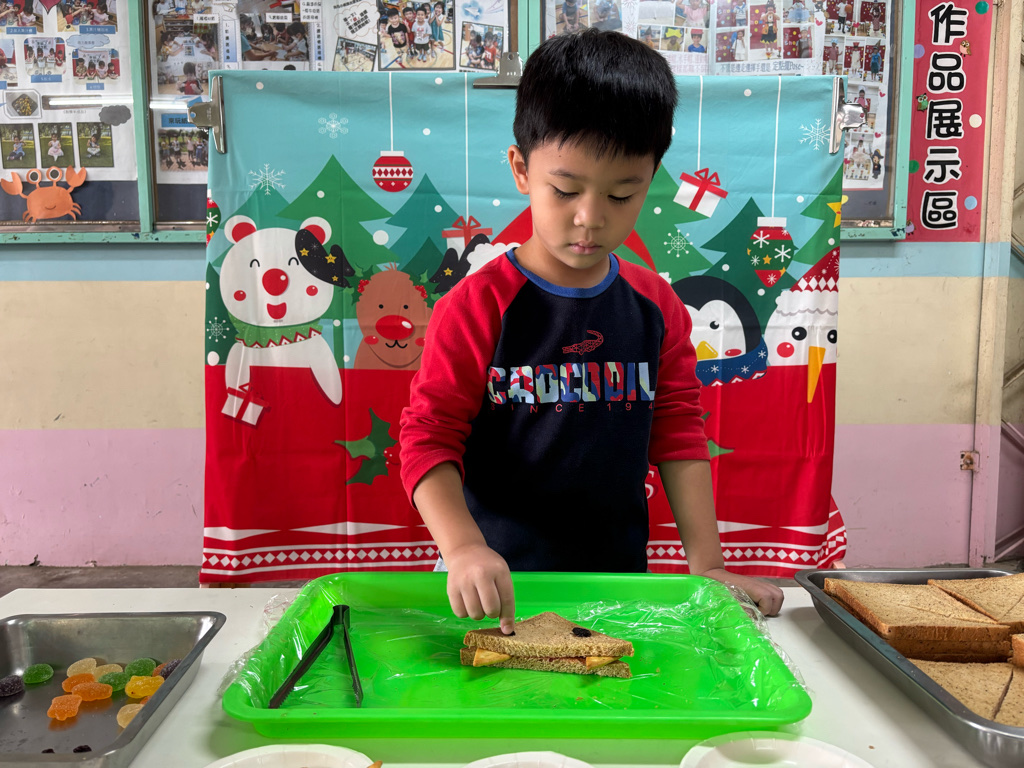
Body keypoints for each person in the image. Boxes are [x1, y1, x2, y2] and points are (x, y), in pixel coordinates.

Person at [399, 29, 785, 636]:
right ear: (521, 169)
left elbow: (678, 432)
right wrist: (463, 548)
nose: (590, 217)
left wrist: (708, 565)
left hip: (618, 583)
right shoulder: (476, 307)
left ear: (650, 179)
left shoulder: (655, 305)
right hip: (497, 589)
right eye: (565, 189)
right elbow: (428, 438)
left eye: (622, 194)